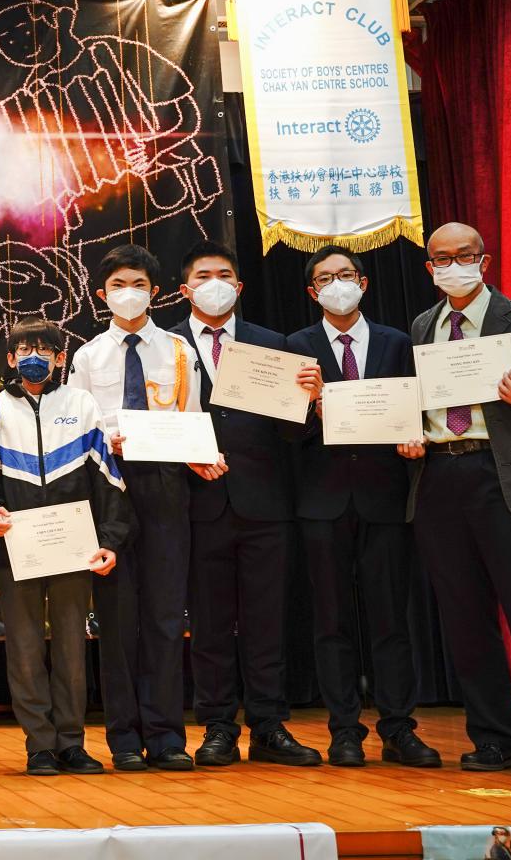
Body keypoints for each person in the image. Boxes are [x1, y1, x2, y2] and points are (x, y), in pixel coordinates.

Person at [408, 223, 511, 780]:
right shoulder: (423, 326)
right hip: (439, 476)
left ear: (485, 260)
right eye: (441, 258)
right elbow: (420, 401)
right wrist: (410, 434)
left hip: (500, 477)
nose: (453, 265)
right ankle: (495, 735)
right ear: (429, 267)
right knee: (465, 619)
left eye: (464, 255)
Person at [284, 244, 440, 769]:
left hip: (385, 497)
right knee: (331, 622)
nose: (337, 284)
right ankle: (344, 730)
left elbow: (418, 410)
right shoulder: (295, 347)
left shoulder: (399, 343)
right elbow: (284, 432)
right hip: (322, 500)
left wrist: (416, 439)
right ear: (312, 292)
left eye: (346, 274)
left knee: (391, 618)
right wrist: (309, 407)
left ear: (364, 283)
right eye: (325, 278)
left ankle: (399, 729)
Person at [170, 240, 321, 768]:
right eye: (203, 275)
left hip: (265, 503)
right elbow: (154, 422)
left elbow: (292, 433)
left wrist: (310, 400)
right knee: (209, 623)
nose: (214, 283)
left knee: (267, 620)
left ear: (239, 286)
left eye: (224, 275)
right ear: (185, 289)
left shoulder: (273, 344)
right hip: (197, 503)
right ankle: (216, 726)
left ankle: (269, 725)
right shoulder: (166, 346)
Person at [68, 243, 205, 772]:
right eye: (119, 286)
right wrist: (109, 441)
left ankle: (167, 736)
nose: (129, 294)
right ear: (102, 294)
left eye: (139, 285)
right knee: (118, 621)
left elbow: (192, 419)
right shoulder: (86, 356)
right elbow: (75, 428)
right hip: (108, 490)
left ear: (156, 292)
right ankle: (123, 738)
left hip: (166, 485)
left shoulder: (178, 350)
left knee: (166, 617)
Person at [0, 317, 129, 776]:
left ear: (60, 358)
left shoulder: (81, 404)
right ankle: (39, 745)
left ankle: (71, 743)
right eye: (25, 349)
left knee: (71, 650)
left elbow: (107, 479)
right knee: (24, 652)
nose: (34, 357)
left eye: (44, 349)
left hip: (74, 548)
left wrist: (110, 540)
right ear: (10, 359)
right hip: (16, 548)